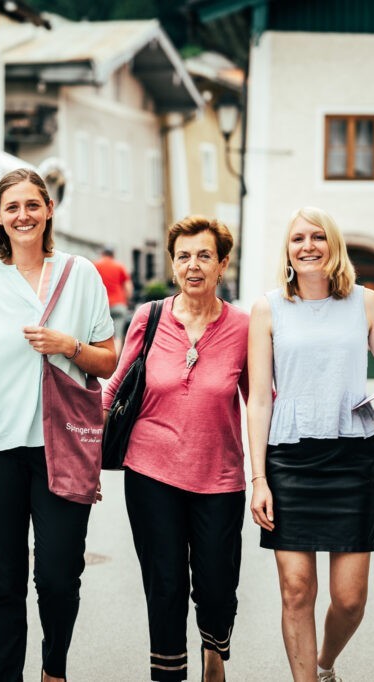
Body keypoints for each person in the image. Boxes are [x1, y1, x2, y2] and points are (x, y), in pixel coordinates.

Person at [246, 207, 374, 682]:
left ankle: (324, 663)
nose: (308, 246)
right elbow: (257, 401)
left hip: (351, 459)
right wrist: (258, 479)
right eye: (298, 238)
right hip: (289, 459)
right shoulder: (268, 308)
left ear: (334, 246)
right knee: (296, 590)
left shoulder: (367, 302)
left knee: (350, 601)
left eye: (318, 237)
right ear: (288, 250)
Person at [0, 168, 117, 682]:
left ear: (48, 210)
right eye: (11, 207)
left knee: (60, 576)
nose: (22, 215)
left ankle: (53, 670)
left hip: (61, 446)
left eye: (31, 205)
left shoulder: (81, 274)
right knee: (2, 583)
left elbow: (109, 362)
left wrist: (68, 346)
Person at [103, 216, 248, 682]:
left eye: (204, 255)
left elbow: (266, 402)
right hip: (150, 472)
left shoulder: (244, 328)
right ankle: (169, 674)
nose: (193, 265)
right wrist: (78, 453)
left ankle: (214, 647)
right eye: (184, 256)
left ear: (222, 264)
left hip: (219, 476)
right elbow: (115, 390)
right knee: (164, 584)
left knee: (217, 585)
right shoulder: (149, 317)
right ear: (173, 263)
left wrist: (271, 475)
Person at [94, 246, 133, 351]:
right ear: (113, 255)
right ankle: (115, 364)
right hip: (118, 304)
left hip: (101, 306)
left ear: (102, 254)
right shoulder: (119, 266)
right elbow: (128, 287)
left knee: (98, 337)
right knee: (117, 336)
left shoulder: (96, 265)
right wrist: (127, 301)